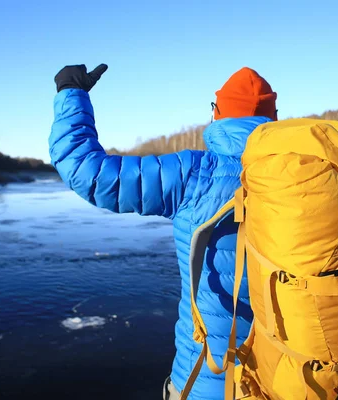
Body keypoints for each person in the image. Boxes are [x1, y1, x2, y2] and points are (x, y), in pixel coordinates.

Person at [48, 63, 278, 399]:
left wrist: (71, 92)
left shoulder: (193, 174)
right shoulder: (306, 179)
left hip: (207, 383)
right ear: (273, 119)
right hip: (293, 381)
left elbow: (87, 171)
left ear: (217, 114)